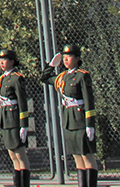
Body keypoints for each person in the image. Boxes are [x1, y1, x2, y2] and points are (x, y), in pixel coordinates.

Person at [41, 44, 97, 187]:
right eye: (64, 57)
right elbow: (44, 78)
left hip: (80, 120)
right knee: (77, 156)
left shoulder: (82, 76)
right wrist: (51, 65)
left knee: (87, 156)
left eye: (69, 56)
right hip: (68, 120)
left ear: (77, 58)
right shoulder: (62, 77)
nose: (66, 60)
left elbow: (89, 102)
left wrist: (90, 124)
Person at [0, 49, 30, 187]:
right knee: (12, 155)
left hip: (14, 119)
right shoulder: (1, 79)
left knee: (20, 154)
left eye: (5, 60)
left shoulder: (17, 78)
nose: (2, 62)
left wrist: (24, 124)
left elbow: (22, 102)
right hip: (4, 119)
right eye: (0, 60)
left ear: (12, 62)